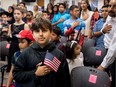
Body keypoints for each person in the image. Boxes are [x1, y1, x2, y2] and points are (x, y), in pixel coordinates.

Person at [13, 17, 71, 87]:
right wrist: (35, 73)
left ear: (50, 32)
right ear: (33, 34)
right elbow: (17, 74)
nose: (41, 34)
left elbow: (65, 80)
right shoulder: (26, 53)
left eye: (44, 31)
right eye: (37, 31)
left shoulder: (59, 55)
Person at [97, 0, 116, 87]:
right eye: (110, 6)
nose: (111, 9)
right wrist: (103, 31)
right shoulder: (110, 15)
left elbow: (114, 47)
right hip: (108, 51)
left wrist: (103, 65)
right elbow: (105, 28)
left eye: (114, 6)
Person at [7, 7, 29, 72]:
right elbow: (9, 36)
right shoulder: (11, 25)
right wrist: (9, 36)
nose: (16, 15)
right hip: (13, 45)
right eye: (15, 13)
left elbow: (28, 38)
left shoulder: (25, 25)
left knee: (20, 65)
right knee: (12, 64)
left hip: (22, 46)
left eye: (18, 14)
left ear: (22, 15)